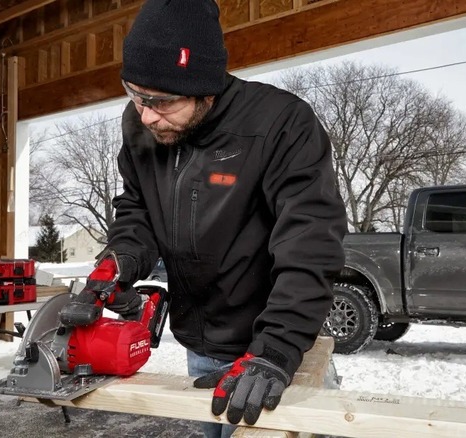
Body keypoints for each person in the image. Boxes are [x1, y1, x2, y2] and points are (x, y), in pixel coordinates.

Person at [92, 0, 347, 436]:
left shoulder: (281, 124)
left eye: (161, 100)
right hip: (201, 346)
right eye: (134, 93)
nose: (146, 113)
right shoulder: (142, 125)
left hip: (277, 351)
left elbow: (311, 244)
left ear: (207, 86)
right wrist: (120, 259)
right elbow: (137, 209)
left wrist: (276, 351)